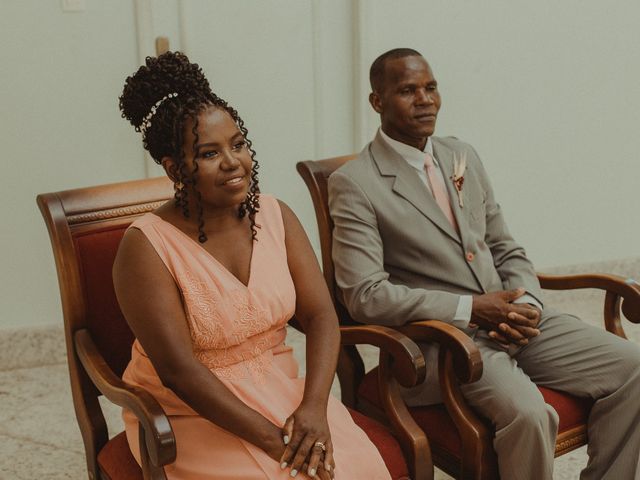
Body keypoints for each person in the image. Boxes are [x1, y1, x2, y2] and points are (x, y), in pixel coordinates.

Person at [328, 47, 640, 480]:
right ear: (377, 101)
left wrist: (527, 300)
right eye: (407, 90)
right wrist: (472, 308)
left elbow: (505, 246)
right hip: (447, 342)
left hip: (517, 321)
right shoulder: (355, 183)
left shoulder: (462, 156)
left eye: (431, 87)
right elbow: (366, 296)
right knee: (531, 415)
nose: (425, 99)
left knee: (634, 368)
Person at [114, 51, 392, 480]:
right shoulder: (145, 248)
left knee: (358, 471)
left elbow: (320, 316)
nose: (233, 162)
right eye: (209, 153)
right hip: (189, 412)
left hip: (283, 391)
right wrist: (274, 440)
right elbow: (178, 373)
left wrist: (314, 407)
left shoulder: (276, 215)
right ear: (174, 168)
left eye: (238, 144)